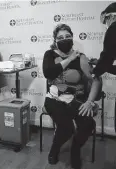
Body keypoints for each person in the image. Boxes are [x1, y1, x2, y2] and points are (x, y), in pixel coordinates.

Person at [42, 24, 102, 169]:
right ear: (55, 40)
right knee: (66, 128)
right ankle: (54, 150)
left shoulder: (81, 58)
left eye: (67, 36)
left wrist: (89, 102)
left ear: (72, 38)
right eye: (60, 37)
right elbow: (48, 73)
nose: (64, 39)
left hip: (75, 100)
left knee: (88, 124)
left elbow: (96, 79)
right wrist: (69, 59)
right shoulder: (49, 55)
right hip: (54, 99)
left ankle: (75, 150)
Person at [92, 2, 116, 76]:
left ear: (112, 17)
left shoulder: (113, 28)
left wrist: (95, 72)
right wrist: (100, 63)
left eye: (106, 21)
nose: (106, 25)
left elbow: (107, 57)